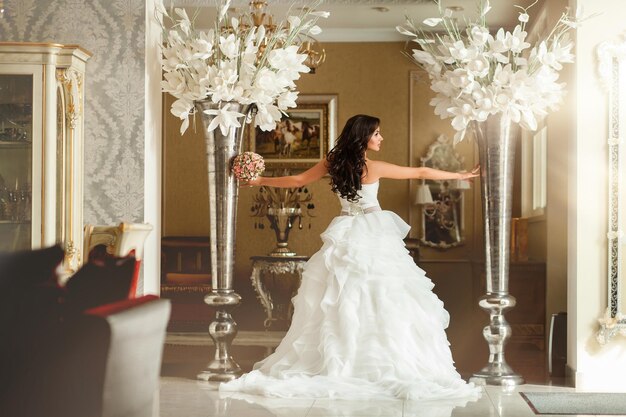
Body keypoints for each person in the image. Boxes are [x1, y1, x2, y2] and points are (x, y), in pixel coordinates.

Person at [222, 114, 481, 400]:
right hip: (373, 231)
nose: (381, 138)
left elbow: (297, 180)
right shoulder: (375, 167)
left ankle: (345, 359)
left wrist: (259, 180)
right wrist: (461, 175)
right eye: (377, 134)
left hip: (346, 231)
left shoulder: (333, 164)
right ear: (364, 136)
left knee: (343, 296)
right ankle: (380, 360)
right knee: (383, 295)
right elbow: (420, 172)